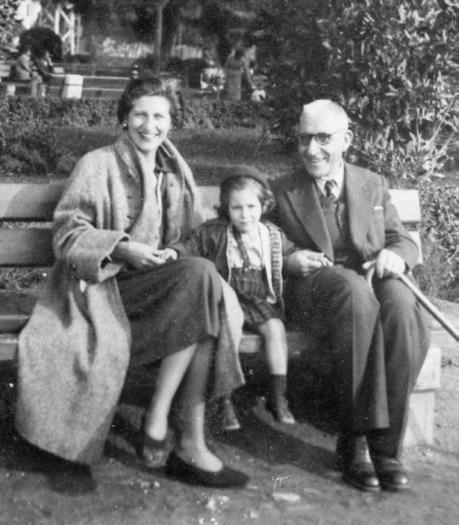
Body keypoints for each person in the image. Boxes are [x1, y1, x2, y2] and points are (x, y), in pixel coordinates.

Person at [15, 76, 249, 489]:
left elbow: (190, 237)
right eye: (139, 114)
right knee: (203, 284)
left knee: (206, 291)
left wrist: (173, 252)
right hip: (101, 290)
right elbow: (68, 234)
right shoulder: (98, 163)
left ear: (171, 124)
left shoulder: (175, 170)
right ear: (124, 119)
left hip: (157, 290)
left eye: (159, 116)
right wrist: (122, 248)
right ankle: (171, 431)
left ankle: (177, 433)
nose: (149, 125)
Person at [271, 99, 430, 492]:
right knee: (353, 292)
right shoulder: (282, 189)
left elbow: (401, 239)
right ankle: (353, 440)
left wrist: (396, 255)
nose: (311, 149)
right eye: (304, 138)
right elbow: (263, 239)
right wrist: (290, 259)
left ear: (346, 140)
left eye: (323, 138)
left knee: (401, 306)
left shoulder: (370, 182)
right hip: (316, 293)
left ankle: (386, 449)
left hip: (366, 288)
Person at [173, 166, 297, 430]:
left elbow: (289, 254)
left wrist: (302, 259)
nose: (245, 215)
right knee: (229, 331)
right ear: (226, 208)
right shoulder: (215, 232)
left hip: (260, 300)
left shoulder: (271, 235)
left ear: (263, 205)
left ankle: (278, 395)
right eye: (237, 208)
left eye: (252, 207)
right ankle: (224, 399)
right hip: (229, 301)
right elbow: (190, 246)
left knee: (275, 330)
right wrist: (174, 252)